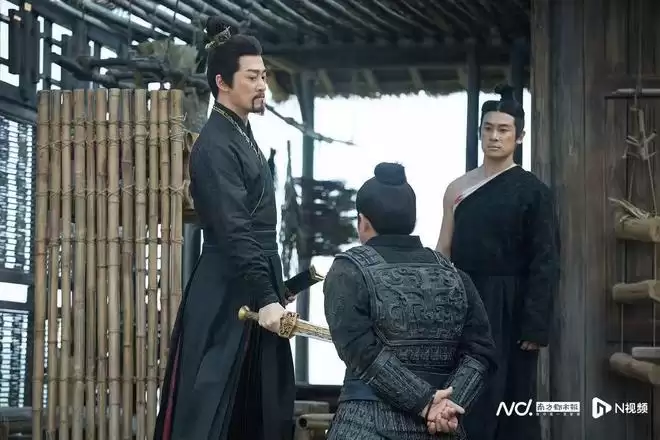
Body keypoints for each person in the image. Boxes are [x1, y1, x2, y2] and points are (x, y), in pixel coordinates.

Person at [153, 16, 295, 440]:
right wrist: (266, 295)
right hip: (225, 292)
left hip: (251, 282)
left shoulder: (240, 133)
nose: (262, 85)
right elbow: (234, 228)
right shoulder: (214, 144)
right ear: (222, 82)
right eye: (251, 77)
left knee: (258, 409)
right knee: (212, 410)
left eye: (263, 75)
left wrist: (273, 287)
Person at [324, 163, 497, 439]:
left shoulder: (349, 270)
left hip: (364, 425)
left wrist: (427, 403)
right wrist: (449, 406)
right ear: (412, 221)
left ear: (363, 222)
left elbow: (360, 351)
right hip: (440, 427)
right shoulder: (454, 275)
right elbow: (481, 352)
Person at [436, 85, 560, 440]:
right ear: (480, 133)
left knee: (513, 398)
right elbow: (443, 249)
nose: (494, 136)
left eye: (503, 130)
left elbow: (546, 259)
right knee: (465, 392)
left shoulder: (534, 191)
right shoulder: (458, 188)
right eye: (488, 128)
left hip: (512, 304)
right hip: (466, 301)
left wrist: (535, 325)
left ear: (519, 137)